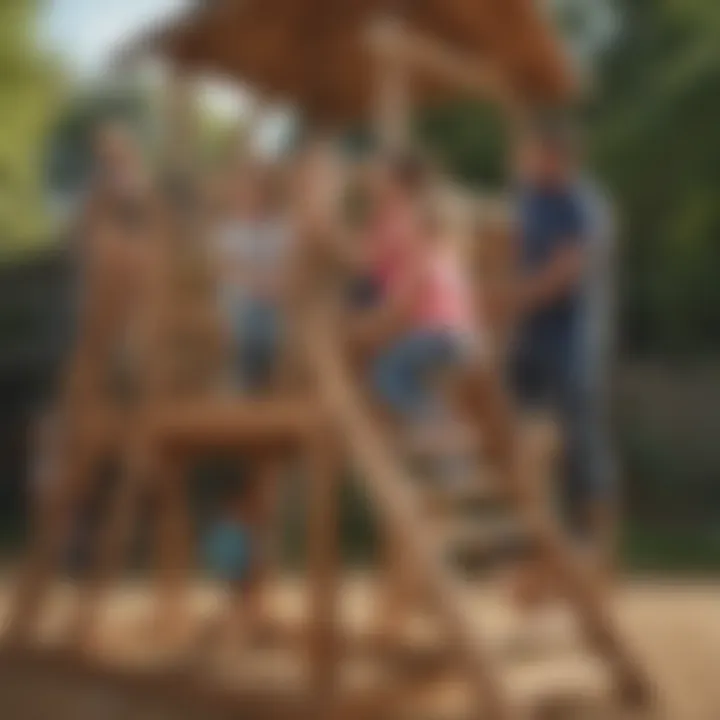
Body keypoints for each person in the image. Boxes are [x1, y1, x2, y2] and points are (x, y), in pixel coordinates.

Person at [510, 116, 617, 594]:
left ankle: (600, 558)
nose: (530, 161)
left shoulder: (583, 206)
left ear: (559, 157)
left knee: (581, 447)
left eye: (536, 153)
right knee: (531, 448)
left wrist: (507, 299)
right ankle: (544, 561)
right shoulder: (530, 202)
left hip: (571, 341)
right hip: (530, 340)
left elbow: (564, 274)